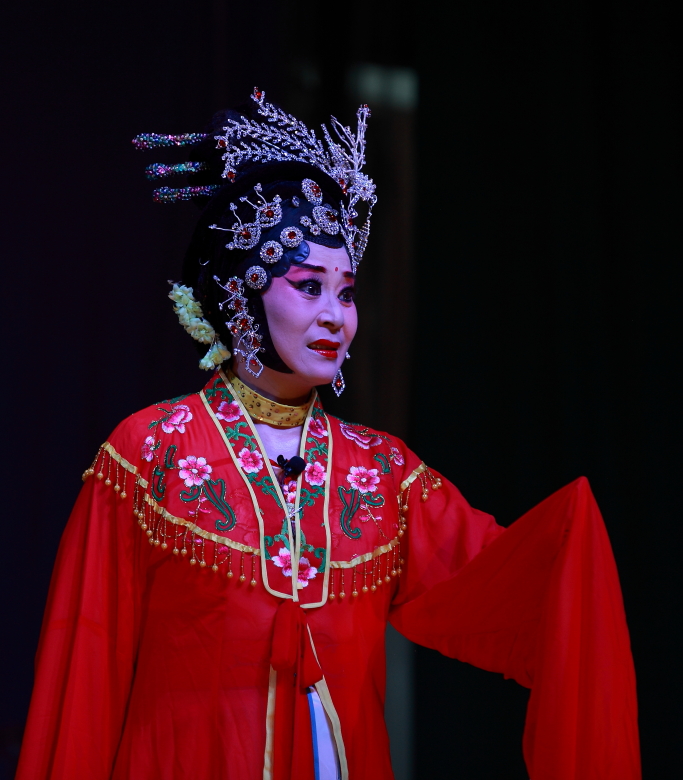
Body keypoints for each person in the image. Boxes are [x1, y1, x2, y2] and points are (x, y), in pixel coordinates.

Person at [16, 90, 640, 780]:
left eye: (346, 292)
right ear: (241, 294)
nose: (336, 317)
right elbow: (84, 670)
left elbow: (504, 591)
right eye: (308, 286)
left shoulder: (381, 473)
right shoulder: (150, 453)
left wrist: (569, 546)